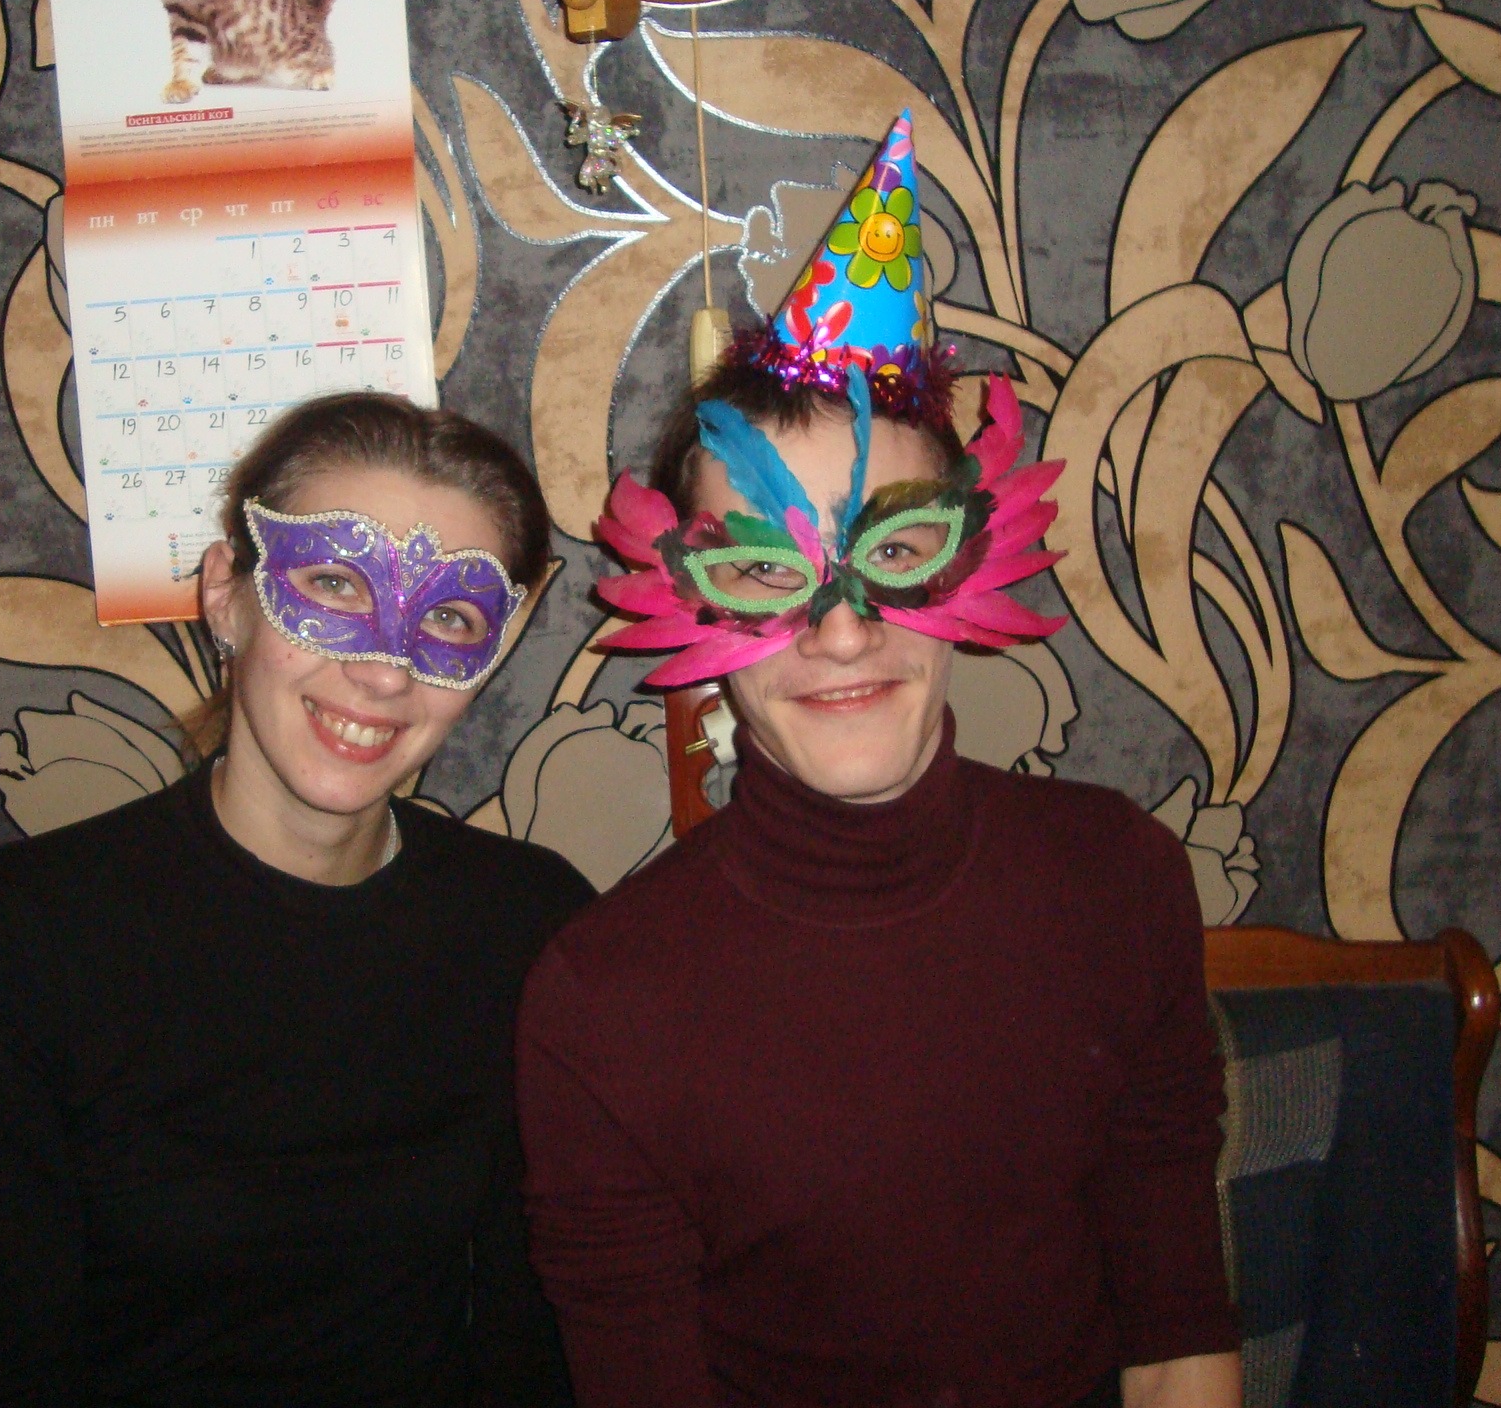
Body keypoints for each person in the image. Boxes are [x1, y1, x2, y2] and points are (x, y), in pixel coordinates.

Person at [516, 114, 1241, 1408]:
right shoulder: (602, 1001)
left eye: (894, 550)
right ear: (688, 606)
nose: (841, 630)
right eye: (765, 571)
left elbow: (1177, 1318)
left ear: (977, 556)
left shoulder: (1116, 875)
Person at [0, 392, 592, 1407]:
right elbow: (6, 1364)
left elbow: (529, 1332)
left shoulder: (527, 923)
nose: (382, 671)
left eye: (447, 616)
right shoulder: (10, 940)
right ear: (226, 594)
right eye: (333, 585)